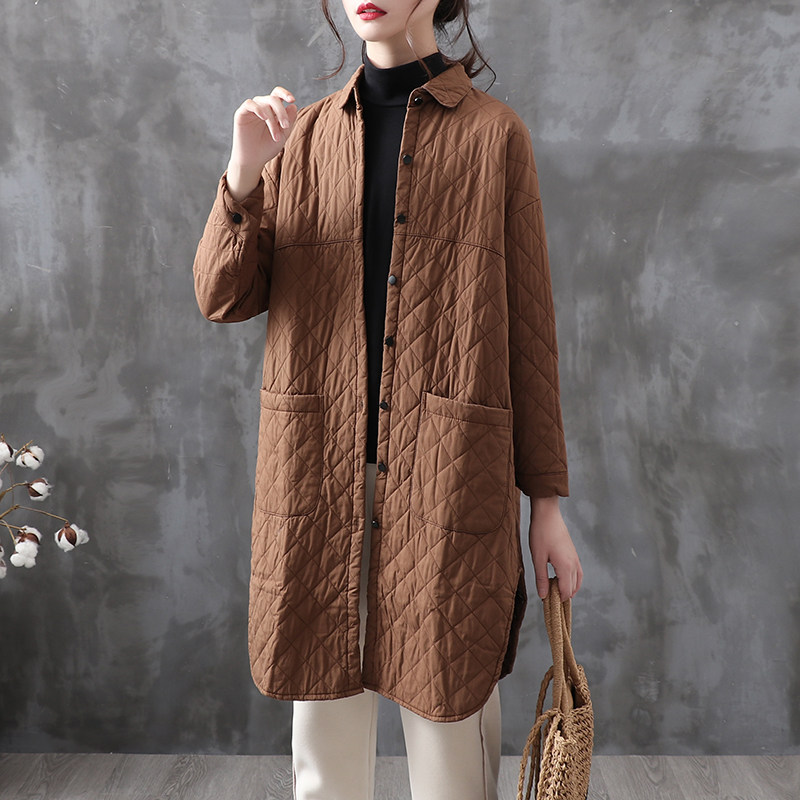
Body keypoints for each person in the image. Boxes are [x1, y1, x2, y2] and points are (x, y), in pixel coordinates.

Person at [193, 1, 583, 798]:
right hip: (317, 479)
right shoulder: (302, 138)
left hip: (449, 481)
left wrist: (545, 503)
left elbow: (529, 331)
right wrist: (244, 173)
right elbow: (222, 297)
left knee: (452, 752)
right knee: (324, 760)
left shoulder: (493, 137)